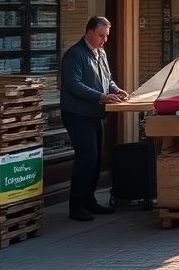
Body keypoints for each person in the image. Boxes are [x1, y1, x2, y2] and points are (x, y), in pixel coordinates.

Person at [60, 16, 128, 222]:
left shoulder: (101, 53)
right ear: (89, 32)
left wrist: (115, 90)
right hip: (78, 114)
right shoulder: (75, 54)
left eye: (106, 36)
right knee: (86, 157)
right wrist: (101, 96)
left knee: (97, 159)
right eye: (101, 35)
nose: (104, 40)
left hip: (95, 113)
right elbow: (74, 85)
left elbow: (107, 79)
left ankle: (89, 200)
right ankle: (77, 205)